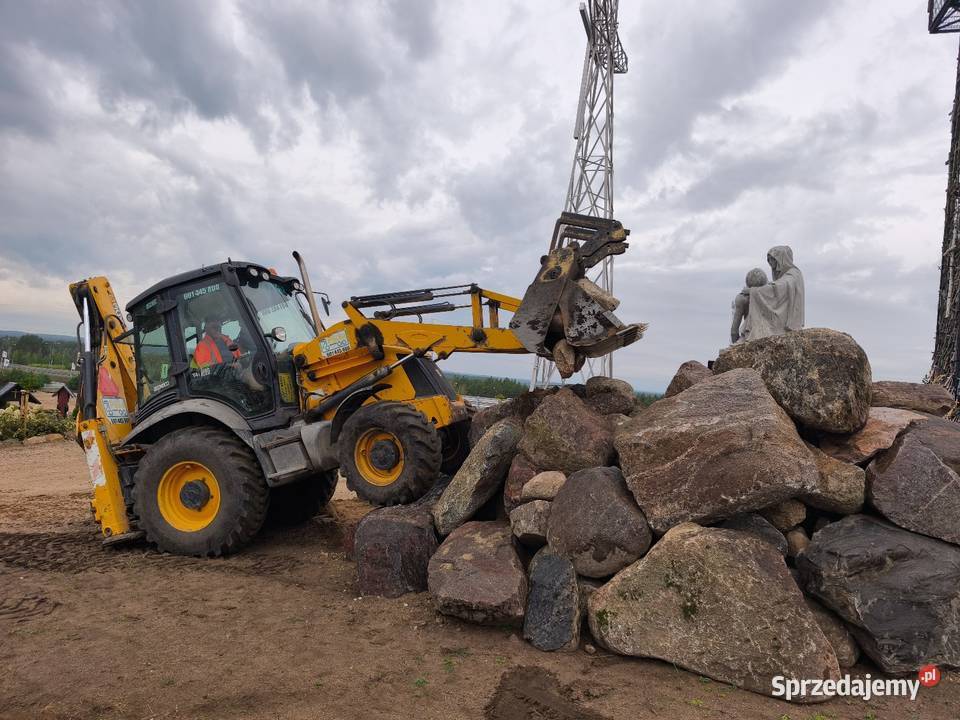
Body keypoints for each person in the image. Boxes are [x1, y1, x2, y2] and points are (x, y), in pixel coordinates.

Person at [744, 246, 805, 341]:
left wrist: (754, 291)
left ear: (781, 260)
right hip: (780, 313)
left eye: (772, 259)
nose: (771, 263)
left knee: (758, 307)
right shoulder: (787, 275)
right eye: (769, 260)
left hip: (784, 317)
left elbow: (778, 288)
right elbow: (776, 286)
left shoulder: (793, 274)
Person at [730, 268, 769, 344]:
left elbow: (734, 331)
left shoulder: (742, 298)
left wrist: (736, 347)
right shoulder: (768, 296)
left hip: (748, 336)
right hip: (768, 335)